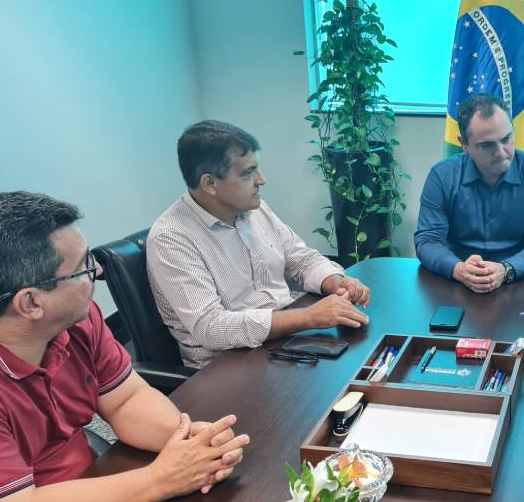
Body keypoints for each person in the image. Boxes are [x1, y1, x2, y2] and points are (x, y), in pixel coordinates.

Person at [0, 192, 250, 502]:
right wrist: (161, 479)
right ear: (30, 303)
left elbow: (127, 400)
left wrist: (187, 440)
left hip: (92, 491)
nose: (98, 271)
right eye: (84, 266)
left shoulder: (73, 319)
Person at [148, 120, 371, 368]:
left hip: (284, 344)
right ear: (210, 183)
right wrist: (308, 317)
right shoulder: (171, 239)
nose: (261, 180)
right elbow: (210, 328)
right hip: (226, 368)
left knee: (364, 364)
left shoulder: (254, 209)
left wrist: (337, 283)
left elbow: (301, 260)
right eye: (247, 173)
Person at [415, 94, 524, 293]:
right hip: (458, 285)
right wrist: (458, 269)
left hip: (521, 284)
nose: (501, 152)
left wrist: (505, 269)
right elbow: (428, 240)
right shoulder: (441, 176)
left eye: (506, 139)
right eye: (487, 145)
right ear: (464, 144)